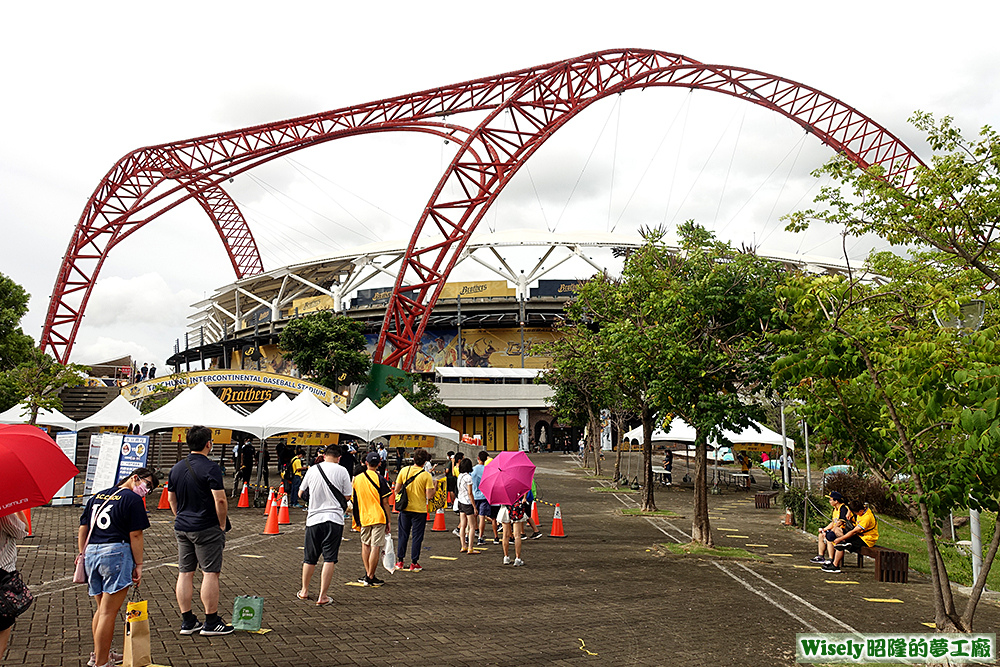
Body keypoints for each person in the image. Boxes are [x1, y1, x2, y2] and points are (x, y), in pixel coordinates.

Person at [79, 468, 159, 667]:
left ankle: (98, 655)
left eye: (150, 488)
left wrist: (83, 553)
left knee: (101, 609)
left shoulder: (97, 496)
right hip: (116, 552)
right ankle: (102, 662)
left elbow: (83, 528)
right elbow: (136, 535)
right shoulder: (132, 500)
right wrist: (139, 564)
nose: (146, 490)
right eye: (147, 484)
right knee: (108, 612)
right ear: (135, 478)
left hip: (92, 553)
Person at [167, 425, 234, 636]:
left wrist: (180, 516)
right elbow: (220, 499)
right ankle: (211, 621)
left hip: (183, 526)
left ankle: (187, 620)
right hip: (206, 526)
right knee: (210, 572)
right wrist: (221, 524)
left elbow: (171, 498)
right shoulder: (211, 467)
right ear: (208, 443)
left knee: (185, 572)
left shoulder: (176, 467)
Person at [297, 445, 353, 605]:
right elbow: (348, 496)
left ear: (324, 455)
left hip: (313, 519)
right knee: (329, 558)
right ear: (339, 457)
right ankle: (323, 596)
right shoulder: (342, 471)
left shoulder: (313, 469)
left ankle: (304, 591)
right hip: (334, 519)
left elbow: (301, 492)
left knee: (309, 558)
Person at [351, 451, 393, 586]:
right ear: (379, 464)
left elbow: (354, 500)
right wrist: (389, 520)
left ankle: (367, 573)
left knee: (365, 545)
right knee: (376, 547)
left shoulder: (357, 479)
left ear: (366, 463)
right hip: (379, 517)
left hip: (364, 517)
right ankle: (371, 575)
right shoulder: (380, 479)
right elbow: (386, 503)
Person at [393, 448, 437, 572]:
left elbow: (396, 489)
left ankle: (400, 561)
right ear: (425, 462)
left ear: (413, 459)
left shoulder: (404, 470)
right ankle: (414, 562)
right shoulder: (426, 475)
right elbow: (429, 495)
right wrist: (435, 487)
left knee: (403, 535)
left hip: (405, 508)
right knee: (417, 537)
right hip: (420, 510)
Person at [0, 512, 28, 663]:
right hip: (2, 575)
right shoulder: (4, 511)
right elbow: (21, 531)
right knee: (3, 628)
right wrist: (19, 509)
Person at [822, 499, 879, 574]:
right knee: (838, 532)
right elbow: (850, 505)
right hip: (859, 535)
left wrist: (840, 539)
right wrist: (849, 512)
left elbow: (854, 532)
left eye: (855, 513)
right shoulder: (863, 507)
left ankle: (835, 566)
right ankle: (834, 558)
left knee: (840, 545)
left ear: (861, 511)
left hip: (867, 539)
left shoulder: (867, 518)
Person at [810, 491, 851, 564]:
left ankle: (831, 558)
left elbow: (841, 522)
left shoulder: (843, 508)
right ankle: (820, 556)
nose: (829, 501)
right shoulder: (835, 509)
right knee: (821, 535)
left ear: (836, 501)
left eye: (830, 500)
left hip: (844, 531)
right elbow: (833, 522)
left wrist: (831, 530)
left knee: (829, 536)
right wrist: (825, 529)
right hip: (837, 529)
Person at [471, 451, 499, 547]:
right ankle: (480, 537)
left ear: (478, 458)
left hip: (474, 495)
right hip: (484, 496)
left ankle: (469, 534)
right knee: (482, 517)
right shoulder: (487, 470)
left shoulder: (473, 470)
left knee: (473, 516)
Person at [497, 493, 528, 566]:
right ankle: (517, 558)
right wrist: (524, 498)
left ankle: (506, 557)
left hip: (504, 509)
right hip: (516, 508)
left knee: (505, 535)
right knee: (517, 535)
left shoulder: (500, 486)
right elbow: (524, 491)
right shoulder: (516, 483)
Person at [455, 458, 478, 554]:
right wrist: (474, 507)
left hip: (460, 501)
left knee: (463, 525)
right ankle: (471, 548)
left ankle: (463, 546)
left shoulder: (460, 476)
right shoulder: (468, 477)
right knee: (472, 526)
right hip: (468, 503)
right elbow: (470, 493)